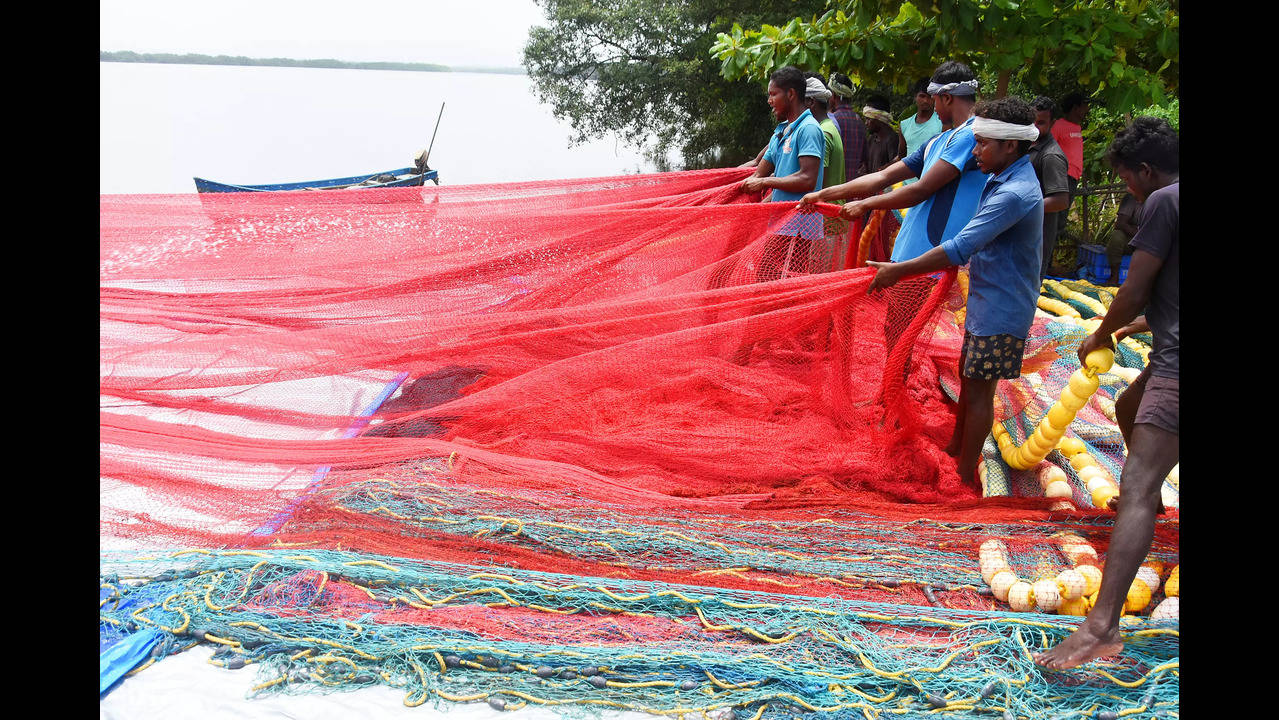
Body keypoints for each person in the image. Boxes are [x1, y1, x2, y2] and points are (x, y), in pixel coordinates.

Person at [1034, 117, 1178, 671]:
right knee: (1126, 406)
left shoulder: (1164, 201)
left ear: (1144, 170)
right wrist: (1146, 324)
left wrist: (1099, 332)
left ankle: (1100, 628)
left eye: (1127, 181)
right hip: (1167, 348)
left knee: (1136, 484)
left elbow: (1135, 284)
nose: (1128, 193)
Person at [863, 97, 1044, 488]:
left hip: (1003, 307)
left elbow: (963, 245)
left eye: (982, 144)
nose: (975, 151)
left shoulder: (1014, 193)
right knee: (969, 378)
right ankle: (956, 450)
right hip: (987, 300)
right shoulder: (1004, 178)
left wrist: (900, 271)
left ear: (1010, 145)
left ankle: (963, 475)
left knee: (979, 392)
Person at [799, 60, 986, 267]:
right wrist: (822, 194)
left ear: (947, 98)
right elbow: (883, 177)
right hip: (913, 256)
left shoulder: (970, 136)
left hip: (938, 263)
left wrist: (865, 204)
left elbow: (921, 190)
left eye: (934, 100)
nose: (933, 106)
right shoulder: (938, 141)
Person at [741, 66, 825, 203]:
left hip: (802, 221)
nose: (769, 100)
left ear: (791, 94)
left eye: (773, 94)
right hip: (780, 220)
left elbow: (807, 179)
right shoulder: (780, 133)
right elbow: (758, 174)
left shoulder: (808, 128)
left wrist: (765, 182)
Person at [1028, 96, 1071, 276]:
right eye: (1031, 121)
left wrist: (1023, 208)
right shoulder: (1027, 145)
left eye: (1041, 123)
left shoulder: (1051, 156)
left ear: (1053, 123)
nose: (1035, 127)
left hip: (1038, 234)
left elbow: (1061, 201)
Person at [1050, 92, 1090, 251]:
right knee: (1055, 221)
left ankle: (1048, 263)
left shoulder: (1077, 127)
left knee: (1060, 222)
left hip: (1072, 178)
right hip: (1061, 178)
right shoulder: (1058, 126)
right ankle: (1045, 265)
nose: (1087, 109)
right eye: (1085, 105)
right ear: (1075, 107)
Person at [803, 73, 846, 190]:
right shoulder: (828, 126)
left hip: (826, 205)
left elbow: (819, 184)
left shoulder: (822, 133)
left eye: (800, 103)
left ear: (811, 102)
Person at [898, 79, 944, 185]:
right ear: (915, 97)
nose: (926, 101)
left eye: (930, 97)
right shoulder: (904, 125)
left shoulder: (942, 123)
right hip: (907, 186)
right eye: (922, 96)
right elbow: (901, 156)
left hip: (931, 185)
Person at [828, 73, 868, 184]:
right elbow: (864, 158)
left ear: (833, 95)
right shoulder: (859, 121)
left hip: (832, 190)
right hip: (851, 189)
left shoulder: (831, 120)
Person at [1104, 190, 1142, 284]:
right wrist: (1138, 233)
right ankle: (1114, 276)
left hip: (1152, 240)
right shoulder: (1132, 198)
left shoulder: (1162, 198)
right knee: (1117, 236)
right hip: (1133, 238)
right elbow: (1120, 223)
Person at [861, 95, 902, 175]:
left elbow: (895, 169)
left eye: (869, 119)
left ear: (879, 118)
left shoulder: (892, 139)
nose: (866, 123)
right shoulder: (872, 139)